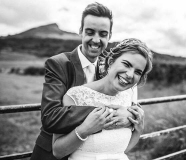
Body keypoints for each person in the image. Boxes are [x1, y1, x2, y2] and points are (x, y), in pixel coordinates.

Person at [31, 3, 136, 160]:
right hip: (53, 155)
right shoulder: (58, 64)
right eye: (90, 32)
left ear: (109, 36)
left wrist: (130, 113)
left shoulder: (112, 67)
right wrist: (107, 113)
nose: (96, 40)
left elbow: (130, 104)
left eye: (102, 34)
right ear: (80, 31)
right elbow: (50, 116)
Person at [52, 38, 153, 160]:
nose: (130, 75)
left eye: (138, 72)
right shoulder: (75, 96)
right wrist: (85, 130)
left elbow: (121, 150)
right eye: (126, 64)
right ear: (111, 62)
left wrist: (138, 127)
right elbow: (58, 151)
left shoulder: (128, 97)